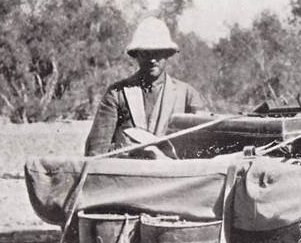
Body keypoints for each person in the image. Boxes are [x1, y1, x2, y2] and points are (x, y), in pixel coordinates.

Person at [84, 17, 208, 156]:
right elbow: (96, 151)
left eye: (158, 52)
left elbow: (205, 146)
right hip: (127, 168)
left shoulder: (187, 95)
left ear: (167, 54)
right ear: (136, 55)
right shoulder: (117, 94)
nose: (152, 59)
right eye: (146, 53)